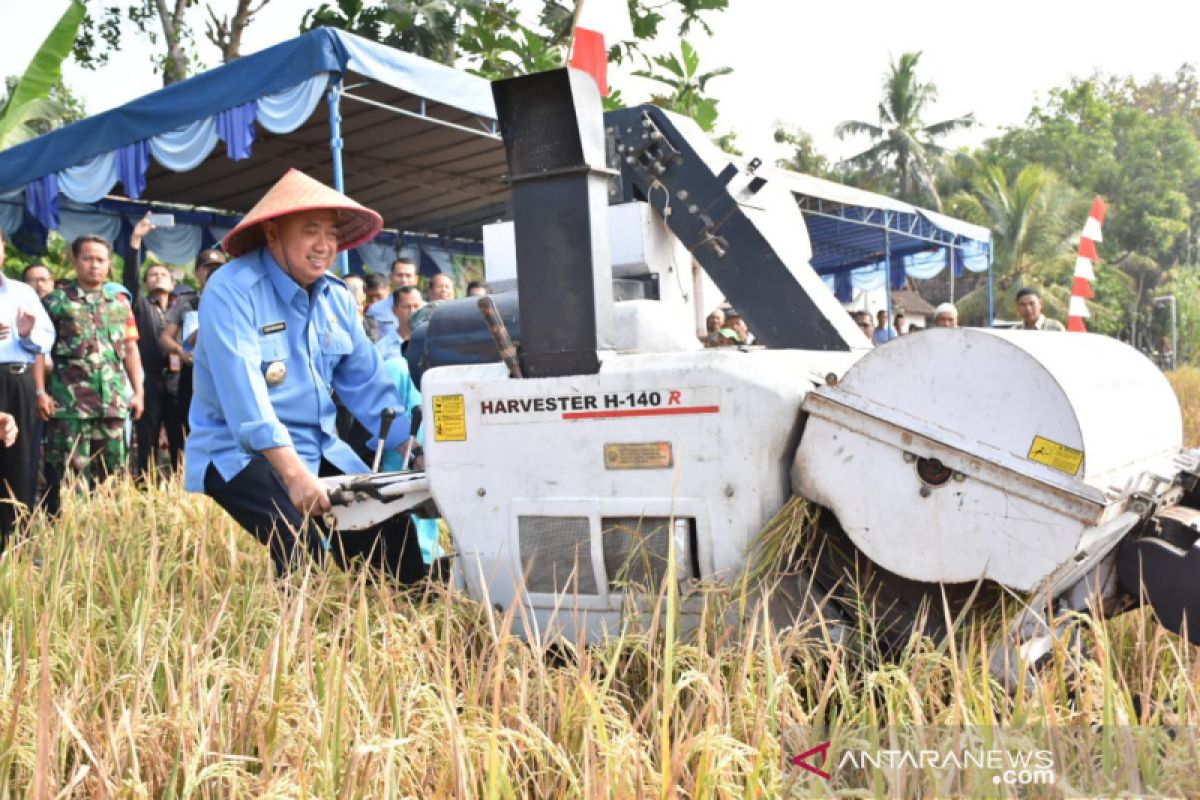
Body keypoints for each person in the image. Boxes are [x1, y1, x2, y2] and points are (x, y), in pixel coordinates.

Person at [185, 168, 423, 582]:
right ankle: (298, 643)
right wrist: (294, 476)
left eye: (331, 234)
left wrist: (412, 447)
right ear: (273, 233)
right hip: (240, 452)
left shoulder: (335, 296)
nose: (324, 245)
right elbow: (245, 397)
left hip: (318, 446)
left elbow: (366, 380)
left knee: (392, 538)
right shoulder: (231, 289)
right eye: (310, 231)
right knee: (303, 555)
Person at [42, 234, 145, 506]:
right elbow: (40, 351)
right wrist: (41, 392)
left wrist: (138, 392)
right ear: (75, 261)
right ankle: (71, 541)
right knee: (71, 480)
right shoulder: (56, 302)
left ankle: (107, 539)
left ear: (109, 263)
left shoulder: (119, 304)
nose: (94, 265)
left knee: (112, 478)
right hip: (69, 407)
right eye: (88, 258)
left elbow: (131, 349)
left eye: (100, 260)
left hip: (111, 403)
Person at [0, 227, 55, 551]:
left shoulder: (22, 292)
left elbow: (45, 341)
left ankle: (17, 544)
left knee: (20, 463)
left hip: (18, 380)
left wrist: (24, 335)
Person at [160, 248, 225, 457]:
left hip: (224, 372)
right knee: (188, 427)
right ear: (197, 272)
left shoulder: (234, 299)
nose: (213, 273)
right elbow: (165, 337)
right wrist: (181, 351)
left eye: (219, 268)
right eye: (208, 268)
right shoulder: (186, 301)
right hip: (192, 373)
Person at [130, 223, 176, 477]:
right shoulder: (141, 306)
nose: (158, 277)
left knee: (180, 441)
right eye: (153, 275)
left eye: (163, 274)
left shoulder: (182, 309)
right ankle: (145, 492)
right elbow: (131, 280)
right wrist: (136, 241)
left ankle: (182, 495)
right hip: (149, 382)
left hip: (178, 385)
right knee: (146, 442)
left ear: (172, 283)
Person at [366, 258, 418, 339]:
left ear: (416, 279)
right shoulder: (375, 309)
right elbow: (370, 341)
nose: (404, 280)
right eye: (399, 275)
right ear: (390, 277)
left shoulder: (426, 308)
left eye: (408, 276)